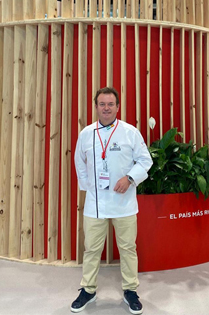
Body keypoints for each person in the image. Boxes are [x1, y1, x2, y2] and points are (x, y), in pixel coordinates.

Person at [71, 87, 153, 314]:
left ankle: (130, 290)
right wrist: (89, 188)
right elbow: (80, 163)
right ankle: (88, 289)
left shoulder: (130, 132)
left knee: (128, 248)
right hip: (95, 204)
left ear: (117, 107)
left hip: (124, 202)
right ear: (96, 106)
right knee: (91, 249)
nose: (106, 108)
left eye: (110, 104)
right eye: (102, 104)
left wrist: (129, 178)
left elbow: (145, 161)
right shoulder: (86, 133)